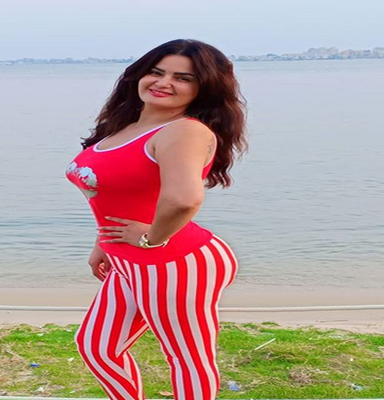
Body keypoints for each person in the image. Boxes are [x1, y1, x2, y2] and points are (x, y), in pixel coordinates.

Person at [65, 38, 247, 400]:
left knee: (187, 358)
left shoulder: (184, 131)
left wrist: (150, 238)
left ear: (203, 88)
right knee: (98, 348)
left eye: (183, 78)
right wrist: (104, 242)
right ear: (139, 75)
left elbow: (184, 199)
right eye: (156, 72)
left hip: (176, 261)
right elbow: (117, 196)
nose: (164, 83)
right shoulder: (123, 127)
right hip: (128, 259)